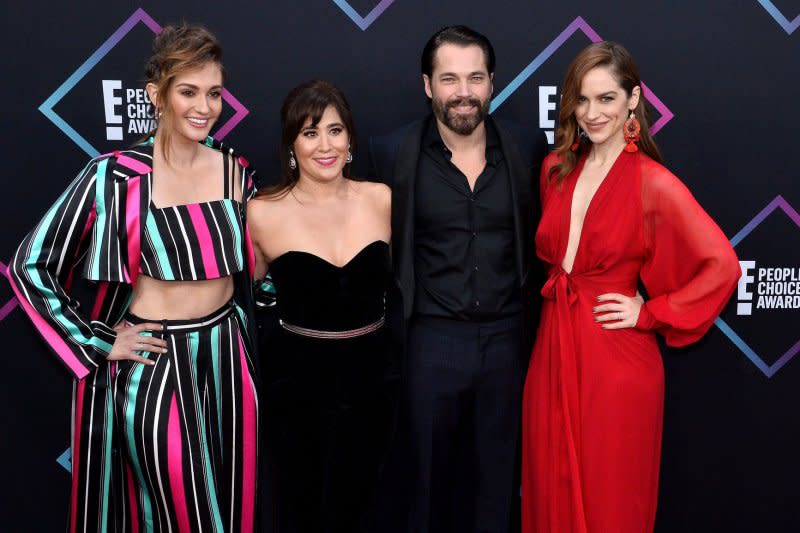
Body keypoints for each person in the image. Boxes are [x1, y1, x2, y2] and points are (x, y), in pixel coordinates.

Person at [8, 25, 259, 531]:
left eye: (213, 93)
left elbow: (263, 269)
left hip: (228, 358)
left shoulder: (236, 170)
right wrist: (97, 342)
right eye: (188, 92)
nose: (204, 107)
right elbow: (30, 264)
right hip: (156, 365)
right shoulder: (115, 174)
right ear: (156, 95)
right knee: (179, 513)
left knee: (229, 509)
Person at [521, 41, 740, 533]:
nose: (592, 113)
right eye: (582, 99)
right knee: (548, 488)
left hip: (616, 363)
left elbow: (722, 264)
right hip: (552, 350)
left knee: (611, 500)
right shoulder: (556, 169)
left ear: (633, 100)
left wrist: (650, 312)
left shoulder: (652, 182)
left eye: (606, 99)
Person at [369, 25, 548, 532]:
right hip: (430, 342)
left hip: (507, 343)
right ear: (428, 85)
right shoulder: (391, 153)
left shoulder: (524, 148)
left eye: (475, 78)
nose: (463, 92)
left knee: (496, 486)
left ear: (493, 83)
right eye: (449, 79)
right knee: (423, 486)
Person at [248, 80, 394, 533]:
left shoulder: (382, 198)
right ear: (292, 144)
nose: (325, 145)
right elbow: (241, 297)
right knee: (301, 506)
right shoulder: (262, 211)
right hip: (297, 387)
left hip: (376, 382)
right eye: (310, 133)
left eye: (335, 130)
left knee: (369, 505)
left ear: (350, 138)